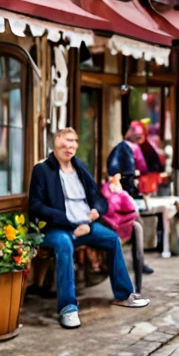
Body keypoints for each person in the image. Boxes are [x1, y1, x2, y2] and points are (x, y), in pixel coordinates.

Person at [29, 128, 149, 329]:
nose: (71, 145)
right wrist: (70, 221)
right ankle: (68, 308)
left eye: (74, 141)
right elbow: (36, 206)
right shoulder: (42, 170)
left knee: (112, 239)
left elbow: (99, 199)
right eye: (67, 141)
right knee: (64, 244)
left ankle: (122, 294)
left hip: (84, 226)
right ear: (56, 143)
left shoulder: (79, 168)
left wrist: (95, 211)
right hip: (56, 229)